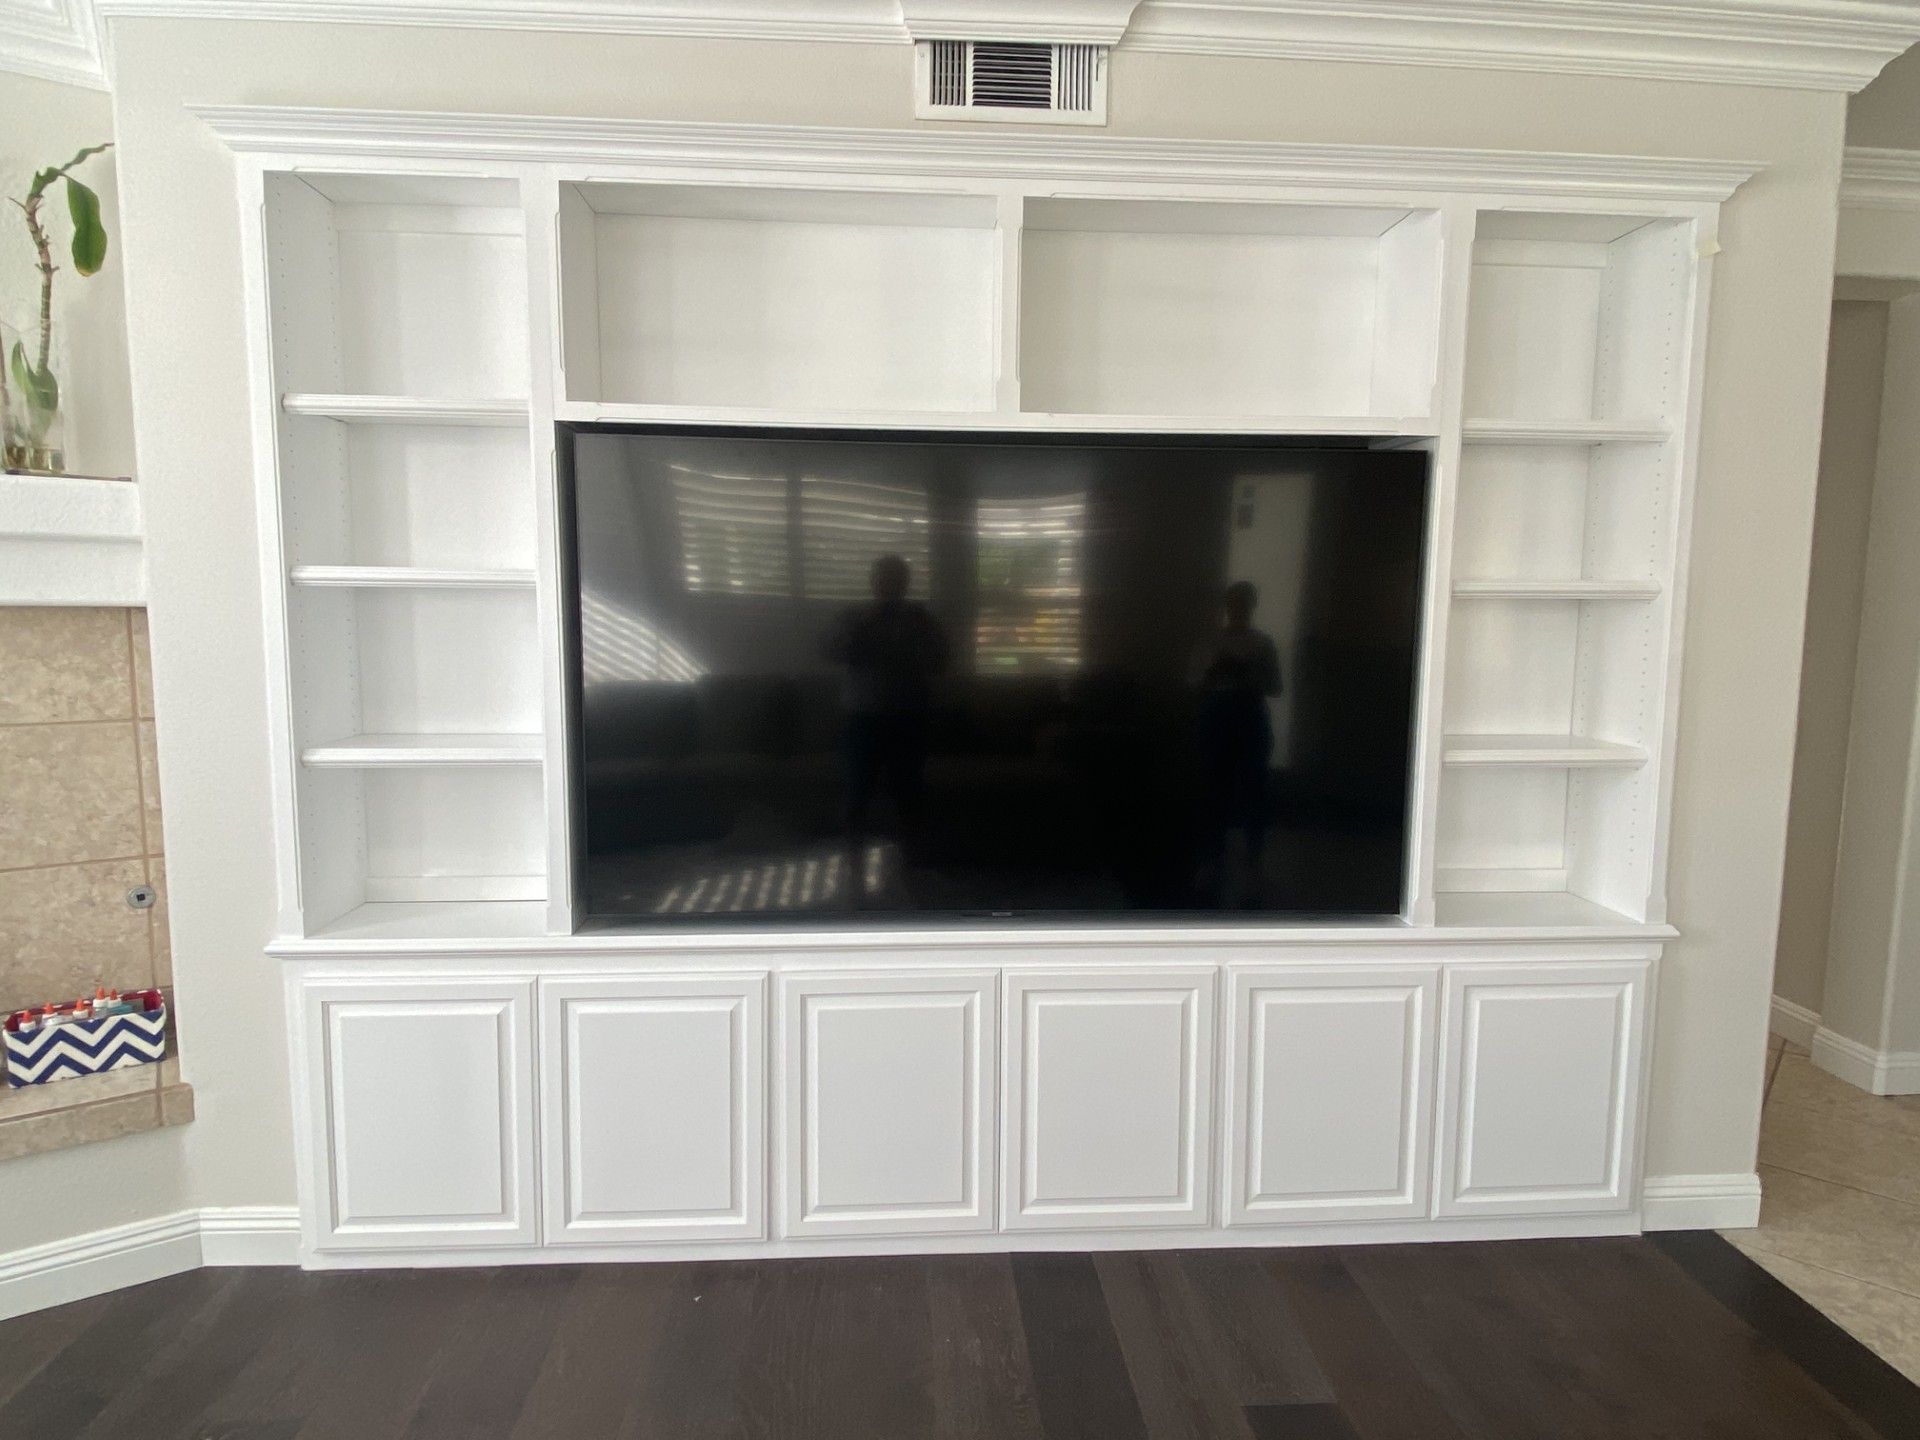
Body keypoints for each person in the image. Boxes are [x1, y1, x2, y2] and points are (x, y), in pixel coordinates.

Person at [825, 555, 949, 863]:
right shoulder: (854, 616)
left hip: (909, 718)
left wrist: (923, 636)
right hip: (863, 718)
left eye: (897, 578)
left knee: (909, 794)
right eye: (884, 577)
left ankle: (913, 860)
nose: (890, 584)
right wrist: (864, 625)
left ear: (906, 584)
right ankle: (852, 860)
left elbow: (941, 662)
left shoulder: (919, 617)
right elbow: (832, 653)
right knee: (856, 792)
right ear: (873, 581)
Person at [1195, 580, 1281, 903]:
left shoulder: (1264, 643)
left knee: (1254, 787)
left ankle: (1254, 858)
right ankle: (1211, 855)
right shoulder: (1210, 642)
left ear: (1252, 605)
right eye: (1233, 602)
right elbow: (1195, 684)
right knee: (1213, 787)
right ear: (1226, 605)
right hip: (1216, 717)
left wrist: (1247, 675)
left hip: (1250, 716)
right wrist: (1215, 672)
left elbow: (1276, 688)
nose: (1237, 608)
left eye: (1243, 602)